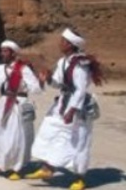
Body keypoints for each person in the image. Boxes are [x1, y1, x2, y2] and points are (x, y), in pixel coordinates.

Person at [26, 29, 103, 190]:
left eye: (63, 41)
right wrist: (48, 78)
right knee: (51, 130)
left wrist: (72, 110)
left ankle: (79, 178)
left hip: (78, 106)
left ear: (71, 45)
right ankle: (47, 169)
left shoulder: (80, 64)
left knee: (78, 141)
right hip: (62, 103)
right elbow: (58, 84)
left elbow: (80, 89)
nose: (60, 43)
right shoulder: (63, 62)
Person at [0, 40, 43, 180]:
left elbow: (36, 89)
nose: (2, 53)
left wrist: (36, 82)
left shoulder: (23, 69)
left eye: (5, 51)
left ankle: (17, 168)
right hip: (3, 103)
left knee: (16, 137)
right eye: (1, 50)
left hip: (18, 103)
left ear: (13, 53)